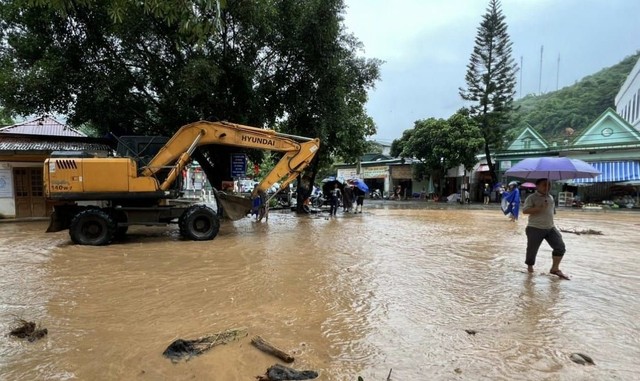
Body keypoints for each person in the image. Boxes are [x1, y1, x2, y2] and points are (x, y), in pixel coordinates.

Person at [522, 178, 569, 280]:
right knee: (532, 251)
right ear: (537, 186)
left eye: (549, 185)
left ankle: (555, 268)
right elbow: (525, 211)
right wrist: (539, 208)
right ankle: (530, 270)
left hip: (550, 227)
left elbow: (552, 212)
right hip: (535, 228)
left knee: (560, 247)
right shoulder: (532, 197)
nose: (547, 187)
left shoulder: (550, 197)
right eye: (544, 185)